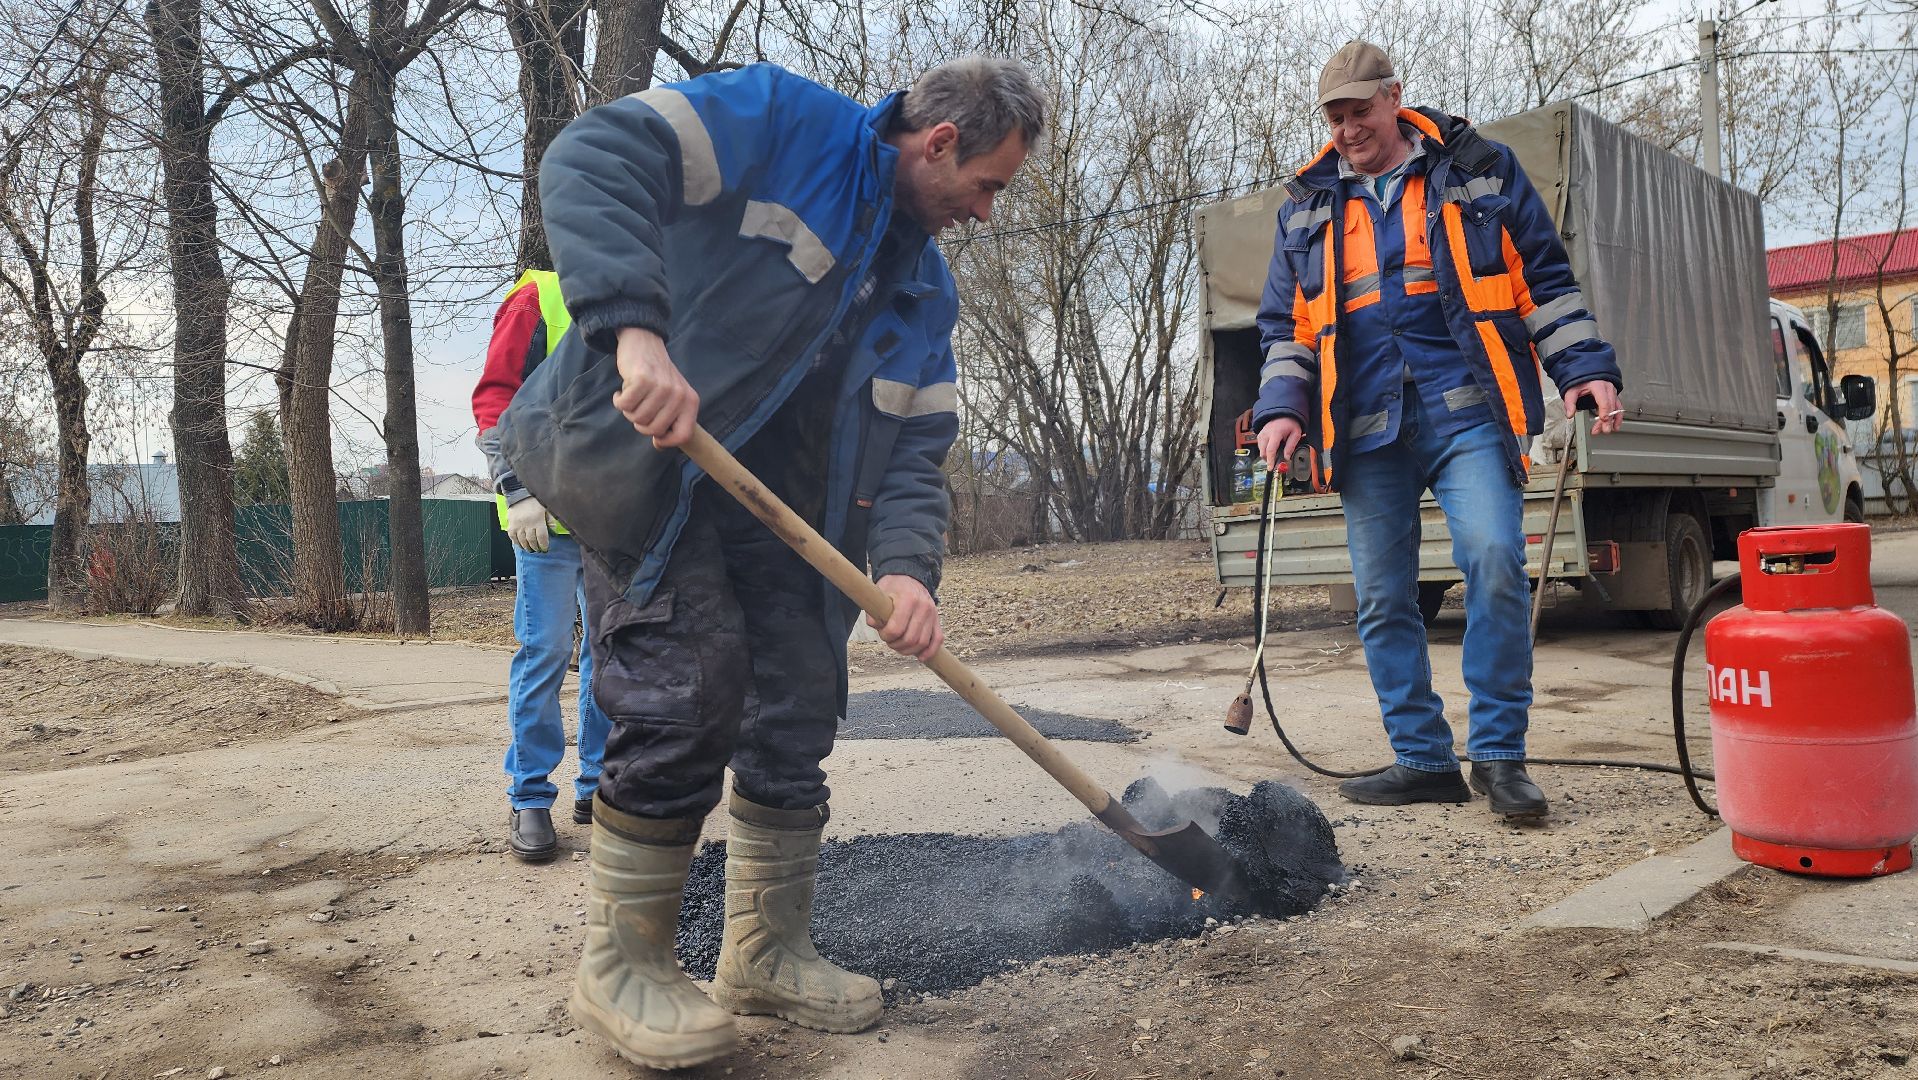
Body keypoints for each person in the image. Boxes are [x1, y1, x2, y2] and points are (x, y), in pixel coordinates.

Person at [496, 58, 1045, 1068]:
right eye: (988, 183)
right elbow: (592, 155)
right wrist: (637, 335)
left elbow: (919, 451)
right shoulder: (779, 123)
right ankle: (620, 971)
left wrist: (911, 573)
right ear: (936, 145)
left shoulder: (922, 292)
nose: (986, 209)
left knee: (796, 698)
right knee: (687, 686)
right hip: (643, 457)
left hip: (787, 514)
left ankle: (763, 949)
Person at [1253, 41, 1624, 821]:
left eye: (1361, 109)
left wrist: (1583, 367)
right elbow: (1286, 328)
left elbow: (1544, 281)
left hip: (1466, 406)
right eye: (1336, 115)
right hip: (1364, 424)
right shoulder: (1307, 207)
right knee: (1385, 598)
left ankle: (1498, 756)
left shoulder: (1477, 169)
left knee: (1493, 559)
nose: (1349, 127)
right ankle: (1422, 759)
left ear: (1394, 97)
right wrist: (1283, 409)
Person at [472, 269, 612, 862]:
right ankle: (530, 796)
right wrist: (513, 485)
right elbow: (495, 398)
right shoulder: (540, 297)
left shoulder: (653, 292)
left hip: (615, 522)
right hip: (545, 519)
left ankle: (599, 787)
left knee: (612, 654)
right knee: (545, 653)